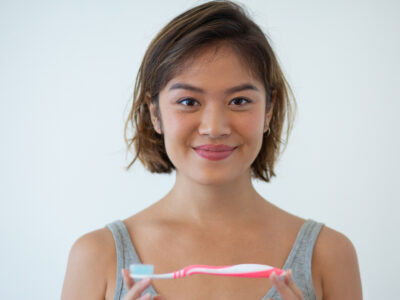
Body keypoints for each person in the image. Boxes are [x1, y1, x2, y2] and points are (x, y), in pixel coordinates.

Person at [61, 1, 362, 299]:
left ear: (269, 110)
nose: (215, 127)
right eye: (189, 102)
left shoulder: (329, 254)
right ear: (155, 113)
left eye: (240, 101)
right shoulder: (96, 256)